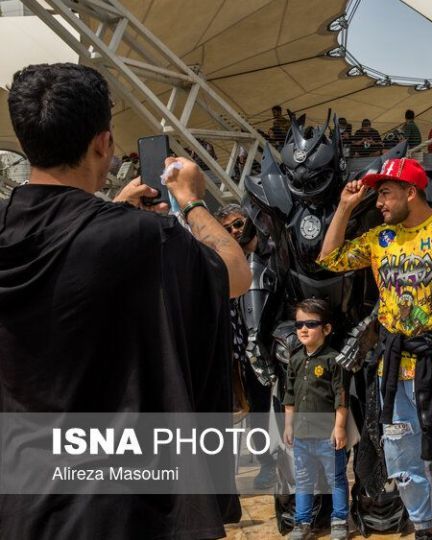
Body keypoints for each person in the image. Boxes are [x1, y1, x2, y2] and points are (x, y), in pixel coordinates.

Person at [0, 63, 251, 538]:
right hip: (118, 507)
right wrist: (191, 200)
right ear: (103, 143)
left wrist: (109, 209)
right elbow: (235, 274)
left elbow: (61, 247)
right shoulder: (143, 239)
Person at [317, 157, 432, 540]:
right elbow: (329, 258)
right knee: (401, 455)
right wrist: (345, 206)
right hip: (394, 368)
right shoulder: (380, 238)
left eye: (384, 193)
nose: (378, 202)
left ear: (411, 192)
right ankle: (423, 528)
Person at [216, 203, 278, 489]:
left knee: (269, 409)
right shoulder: (223, 261)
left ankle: (272, 462)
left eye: (238, 224)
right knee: (243, 411)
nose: (234, 231)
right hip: (235, 350)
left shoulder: (271, 254)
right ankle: (251, 464)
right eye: (227, 228)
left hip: (269, 344)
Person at [282, 298, 349, 540]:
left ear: (327, 329)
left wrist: (339, 428)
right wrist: (288, 427)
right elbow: (289, 395)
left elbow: (341, 397)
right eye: (299, 324)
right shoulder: (295, 358)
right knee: (303, 480)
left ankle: (340, 520)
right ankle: (302, 523)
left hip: (327, 436)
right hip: (301, 436)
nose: (303, 329)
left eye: (311, 324)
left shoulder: (333, 360)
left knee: (336, 479)